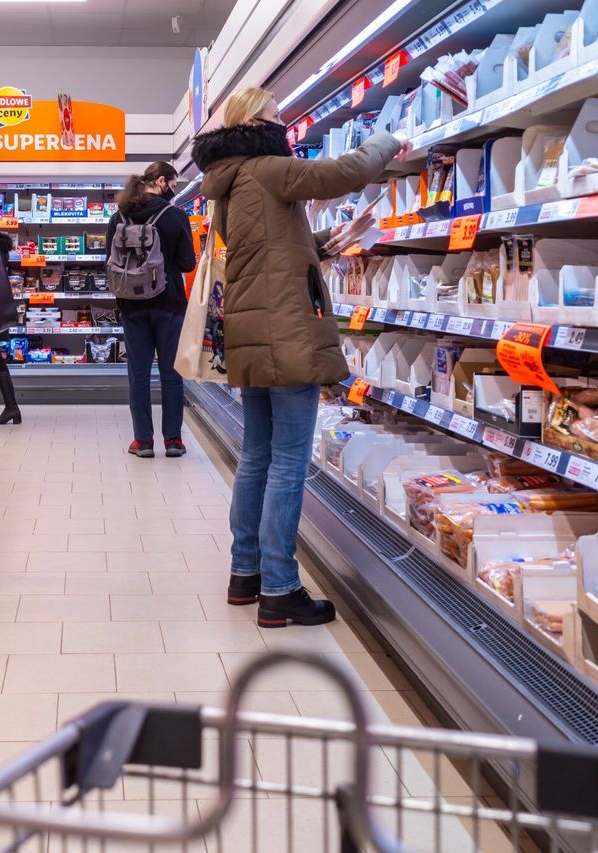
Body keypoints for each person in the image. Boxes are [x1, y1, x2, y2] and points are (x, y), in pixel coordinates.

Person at [192, 86, 406, 629]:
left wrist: (334, 239)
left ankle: (247, 575)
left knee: (257, 457)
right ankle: (281, 589)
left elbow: (277, 248)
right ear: (253, 122)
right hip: (286, 331)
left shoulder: (231, 181)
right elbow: (345, 172)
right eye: (276, 114)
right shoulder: (269, 167)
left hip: (253, 332)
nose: (284, 121)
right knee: (287, 459)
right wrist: (392, 136)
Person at [106, 162, 197, 459]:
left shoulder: (118, 217)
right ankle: (173, 440)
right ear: (161, 181)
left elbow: (109, 262)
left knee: (139, 375)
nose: (175, 190)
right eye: (173, 184)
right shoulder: (175, 216)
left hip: (131, 307)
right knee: (171, 374)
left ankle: (143, 441)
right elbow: (187, 264)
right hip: (169, 306)